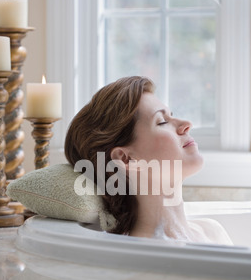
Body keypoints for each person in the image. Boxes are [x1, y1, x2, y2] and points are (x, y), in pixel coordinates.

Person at [65, 76, 233, 245]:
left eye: (172, 116)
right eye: (162, 122)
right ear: (126, 159)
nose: (187, 124)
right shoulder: (143, 255)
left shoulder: (211, 230)